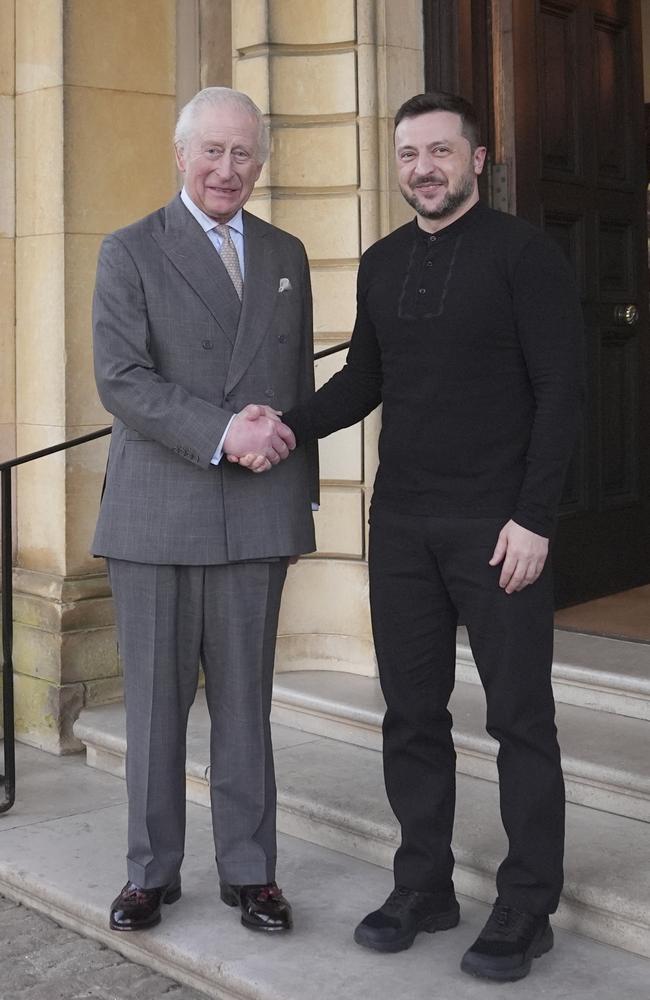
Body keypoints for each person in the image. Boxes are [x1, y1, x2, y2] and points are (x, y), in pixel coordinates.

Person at [231, 91, 584, 982]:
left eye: (439, 151)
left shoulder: (525, 256)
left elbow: (563, 393)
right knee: (412, 715)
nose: (422, 168)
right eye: (407, 155)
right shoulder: (384, 262)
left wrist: (536, 517)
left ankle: (528, 903)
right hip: (405, 525)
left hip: (499, 527)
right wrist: (288, 425)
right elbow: (364, 377)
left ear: (477, 159)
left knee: (520, 720)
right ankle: (424, 884)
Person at [92, 86, 318, 936]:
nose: (229, 169)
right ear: (180, 154)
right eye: (213, 152)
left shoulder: (286, 250)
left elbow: (292, 383)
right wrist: (226, 429)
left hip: (259, 508)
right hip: (156, 510)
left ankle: (251, 873)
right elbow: (122, 379)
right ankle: (150, 874)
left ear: (261, 163)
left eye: (244, 154)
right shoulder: (129, 249)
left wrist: (289, 468)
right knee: (152, 707)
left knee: (246, 705)